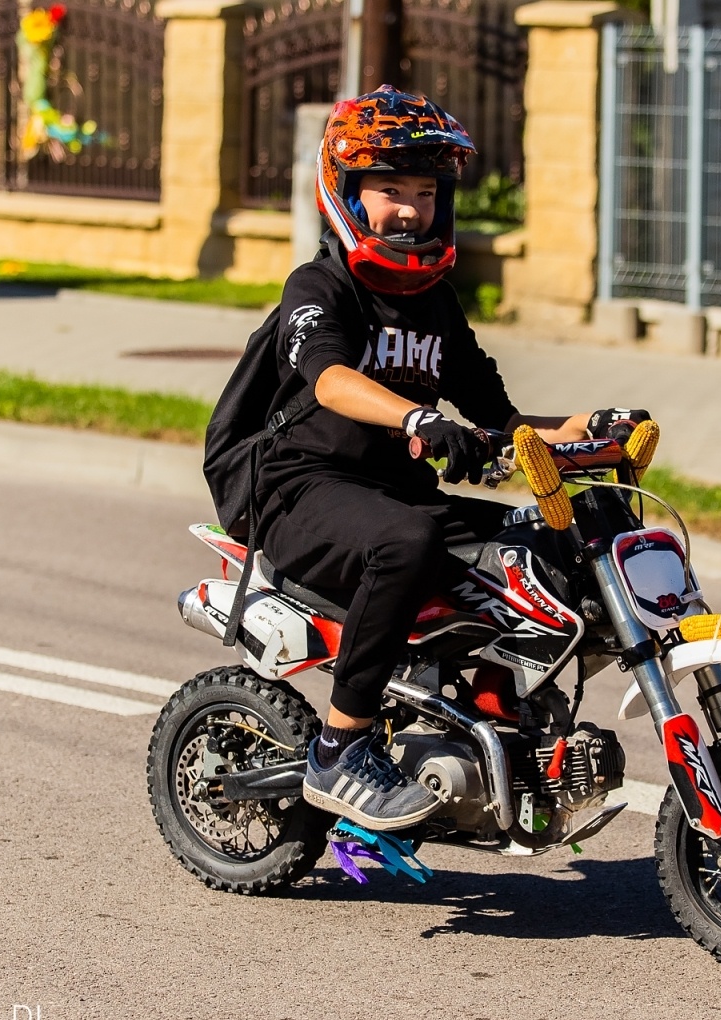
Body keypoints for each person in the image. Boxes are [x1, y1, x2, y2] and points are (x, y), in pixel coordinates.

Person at [260, 87, 625, 831]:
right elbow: (328, 379)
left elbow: (507, 420)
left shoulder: (435, 305)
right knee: (409, 542)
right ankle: (340, 748)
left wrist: (600, 426)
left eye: (425, 192)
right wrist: (416, 416)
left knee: (546, 542)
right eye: (390, 189)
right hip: (302, 489)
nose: (409, 209)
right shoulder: (321, 287)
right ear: (349, 193)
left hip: (392, 493)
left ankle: (504, 719)